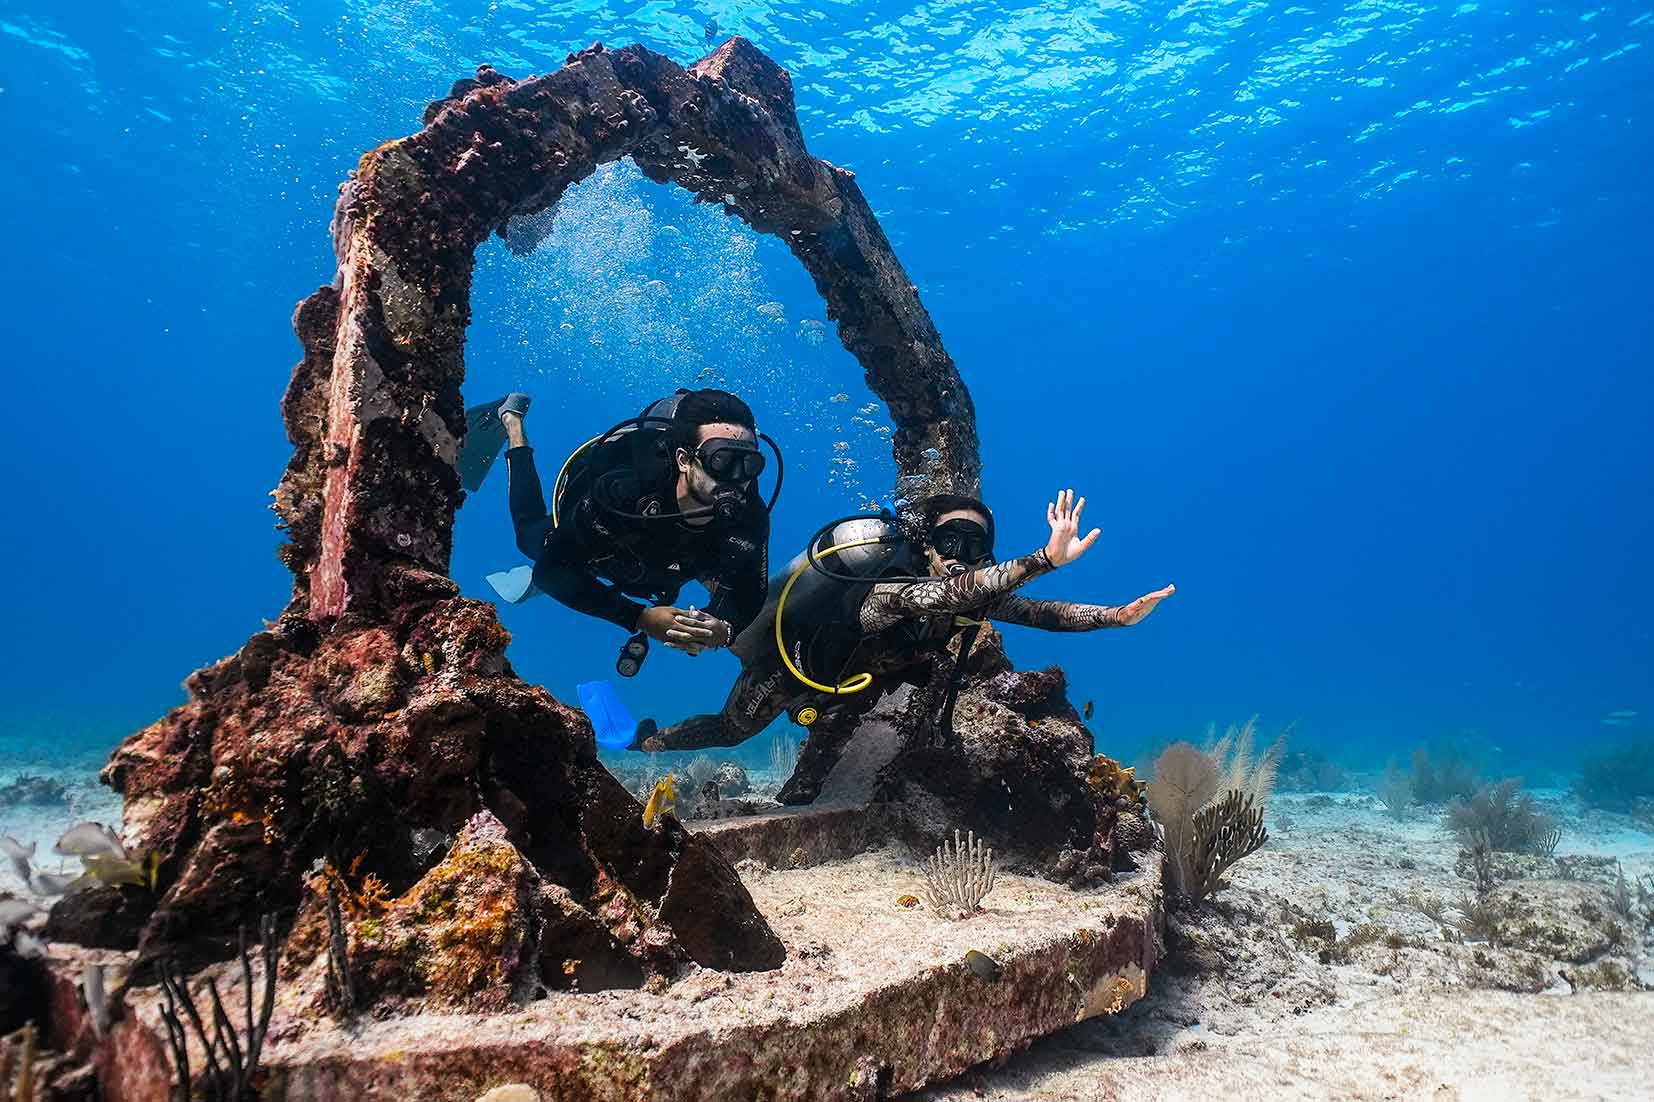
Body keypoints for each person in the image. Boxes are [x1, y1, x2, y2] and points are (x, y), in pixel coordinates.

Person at [630, 488, 1174, 802]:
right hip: (793, 667)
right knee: (730, 732)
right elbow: (948, 593)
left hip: (850, 694)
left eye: (975, 543)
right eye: (948, 539)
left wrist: (1116, 617)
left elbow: (1042, 613)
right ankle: (647, 743)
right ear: (926, 545)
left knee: (805, 788)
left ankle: (799, 788)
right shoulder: (892, 591)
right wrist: (1044, 560)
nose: (961, 551)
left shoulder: (972, 593)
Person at [493, 388, 772, 668]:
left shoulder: (749, 516)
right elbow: (550, 571)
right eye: (721, 461)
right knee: (529, 539)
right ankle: (513, 425)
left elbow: (750, 592)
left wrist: (722, 630)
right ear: (684, 460)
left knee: (726, 564)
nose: (736, 479)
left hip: (672, 566)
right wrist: (640, 617)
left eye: (749, 464)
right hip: (603, 552)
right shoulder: (622, 494)